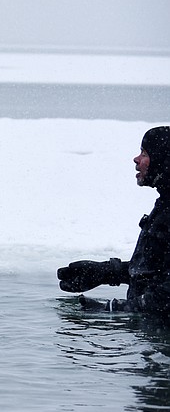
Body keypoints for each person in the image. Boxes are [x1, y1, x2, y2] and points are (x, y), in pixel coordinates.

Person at [57, 127, 170, 315]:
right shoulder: (165, 205)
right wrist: (108, 272)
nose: (136, 159)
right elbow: (157, 271)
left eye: (144, 153)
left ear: (163, 161)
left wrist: (114, 310)